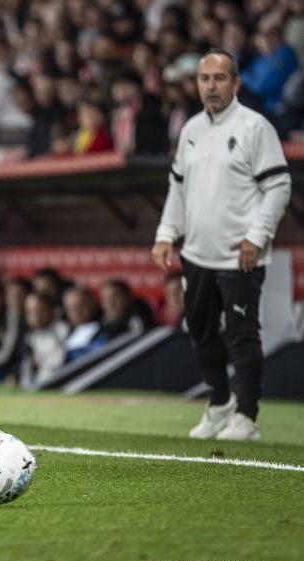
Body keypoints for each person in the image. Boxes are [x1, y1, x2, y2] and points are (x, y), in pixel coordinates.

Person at [152, 50, 292, 442]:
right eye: (204, 78)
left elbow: (279, 185)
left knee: (242, 333)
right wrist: (166, 233)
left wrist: (257, 235)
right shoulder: (192, 129)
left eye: (219, 78)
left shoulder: (255, 127)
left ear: (235, 84)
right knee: (199, 330)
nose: (210, 86)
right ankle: (219, 404)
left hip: (239, 254)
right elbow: (177, 187)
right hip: (196, 252)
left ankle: (246, 417)